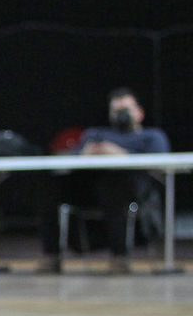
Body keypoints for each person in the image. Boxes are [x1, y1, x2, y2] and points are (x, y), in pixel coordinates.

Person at [37, 87, 170, 275]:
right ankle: (51, 257)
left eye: (126, 110)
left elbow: (162, 164)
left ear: (139, 113)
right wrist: (85, 154)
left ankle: (119, 257)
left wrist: (120, 154)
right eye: (116, 111)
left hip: (131, 192)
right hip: (90, 188)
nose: (121, 115)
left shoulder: (151, 136)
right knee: (49, 188)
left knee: (112, 186)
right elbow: (69, 162)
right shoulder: (95, 134)